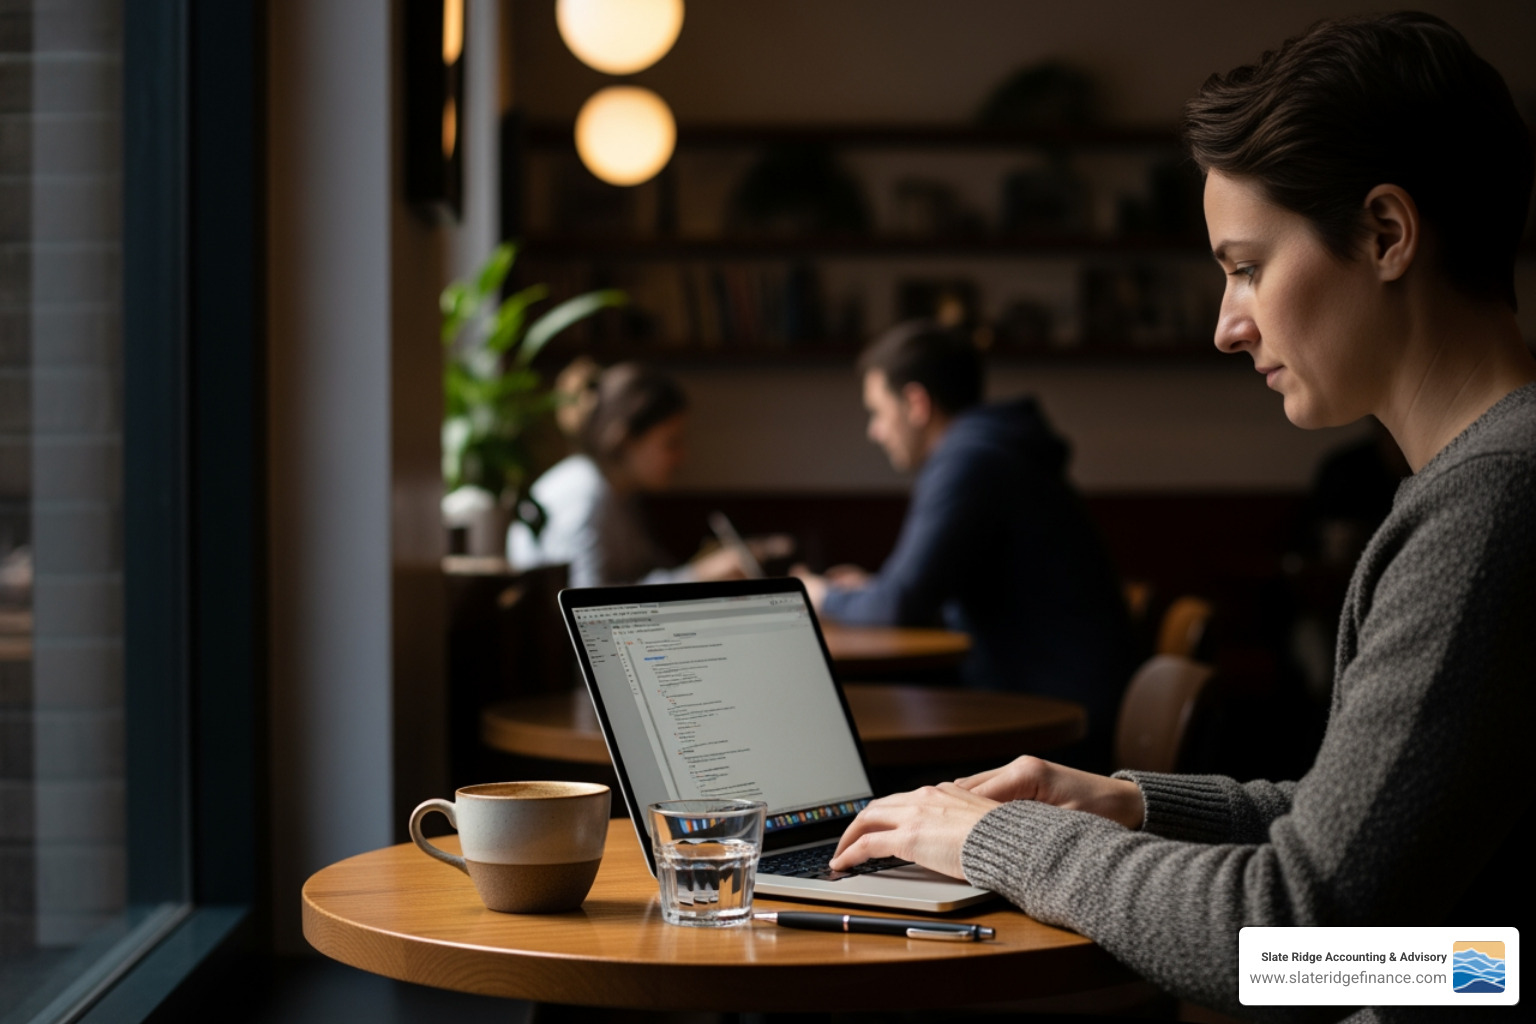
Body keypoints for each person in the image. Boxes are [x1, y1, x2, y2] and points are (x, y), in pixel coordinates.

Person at [828, 14, 1535, 1023]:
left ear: (1386, 234)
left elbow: (1296, 935)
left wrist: (987, 841)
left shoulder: (1495, 503)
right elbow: (1382, 860)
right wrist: (1130, 801)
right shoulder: (1488, 482)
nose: (1225, 321)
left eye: (1246, 264)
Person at [797, 322, 1136, 769]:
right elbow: (915, 590)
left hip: (1057, 726)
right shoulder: (993, 447)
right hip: (1063, 701)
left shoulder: (969, 460)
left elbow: (899, 604)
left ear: (916, 403)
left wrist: (819, 593)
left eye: (878, 412)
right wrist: (868, 591)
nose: (875, 431)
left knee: (851, 761)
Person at [508, 361, 778, 587]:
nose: (682, 457)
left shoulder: (617, 493)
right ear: (624, 439)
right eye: (671, 443)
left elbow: (640, 573)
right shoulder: (586, 497)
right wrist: (698, 575)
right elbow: (588, 607)